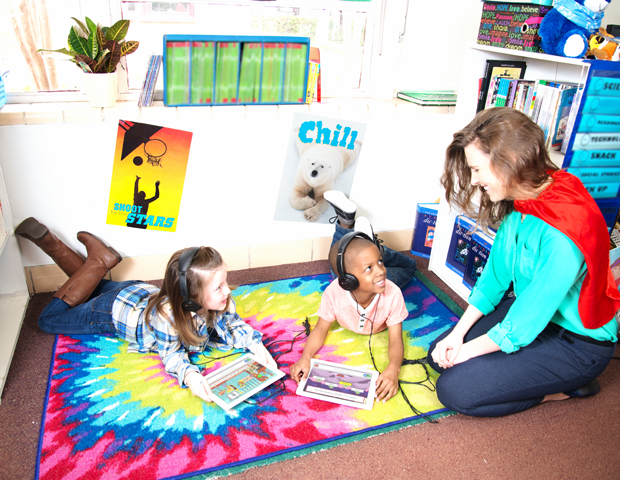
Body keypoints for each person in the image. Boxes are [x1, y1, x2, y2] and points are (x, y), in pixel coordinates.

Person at [427, 108, 620, 417]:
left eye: (477, 170)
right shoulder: (525, 198)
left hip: (575, 343)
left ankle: (558, 392)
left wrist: (464, 353)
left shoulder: (563, 232)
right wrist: (456, 335)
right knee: (437, 356)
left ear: (510, 160)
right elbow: (495, 278)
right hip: (534, 315)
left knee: (454, 389)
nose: (475, 181)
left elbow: (525, 322)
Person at [15, 217, 276, 402]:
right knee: (48, 319)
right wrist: (191, 377)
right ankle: (95, 260)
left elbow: (232, 324)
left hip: (138, 291)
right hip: (113, 310)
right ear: (191, 296)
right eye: (218, 287)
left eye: (225, 283)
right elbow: (171, 355)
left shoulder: (219, 299)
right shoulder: (168, 318)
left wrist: (255, 345)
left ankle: (73, 252)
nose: (228, 290)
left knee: (91, 285)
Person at [289, 226, 409, 403]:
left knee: (409, 268)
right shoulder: (334, 292)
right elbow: (321, 329)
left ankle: (373, 247)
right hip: (355, 281)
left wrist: (394, 368)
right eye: (369, 268)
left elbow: (396, 339)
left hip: (386, 283)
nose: (380, 270)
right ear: (348, 281)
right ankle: (348, 227)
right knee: (339, 267)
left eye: (380, 262)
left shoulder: (392, 293)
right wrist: (305, 357)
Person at [323, 190, 417, 291]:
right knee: (410, 266)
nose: (380, 272)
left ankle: (368, 247)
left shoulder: (338, 293)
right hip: (359, 286)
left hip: (354, 286)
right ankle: (348, 226)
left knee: (343, 273)